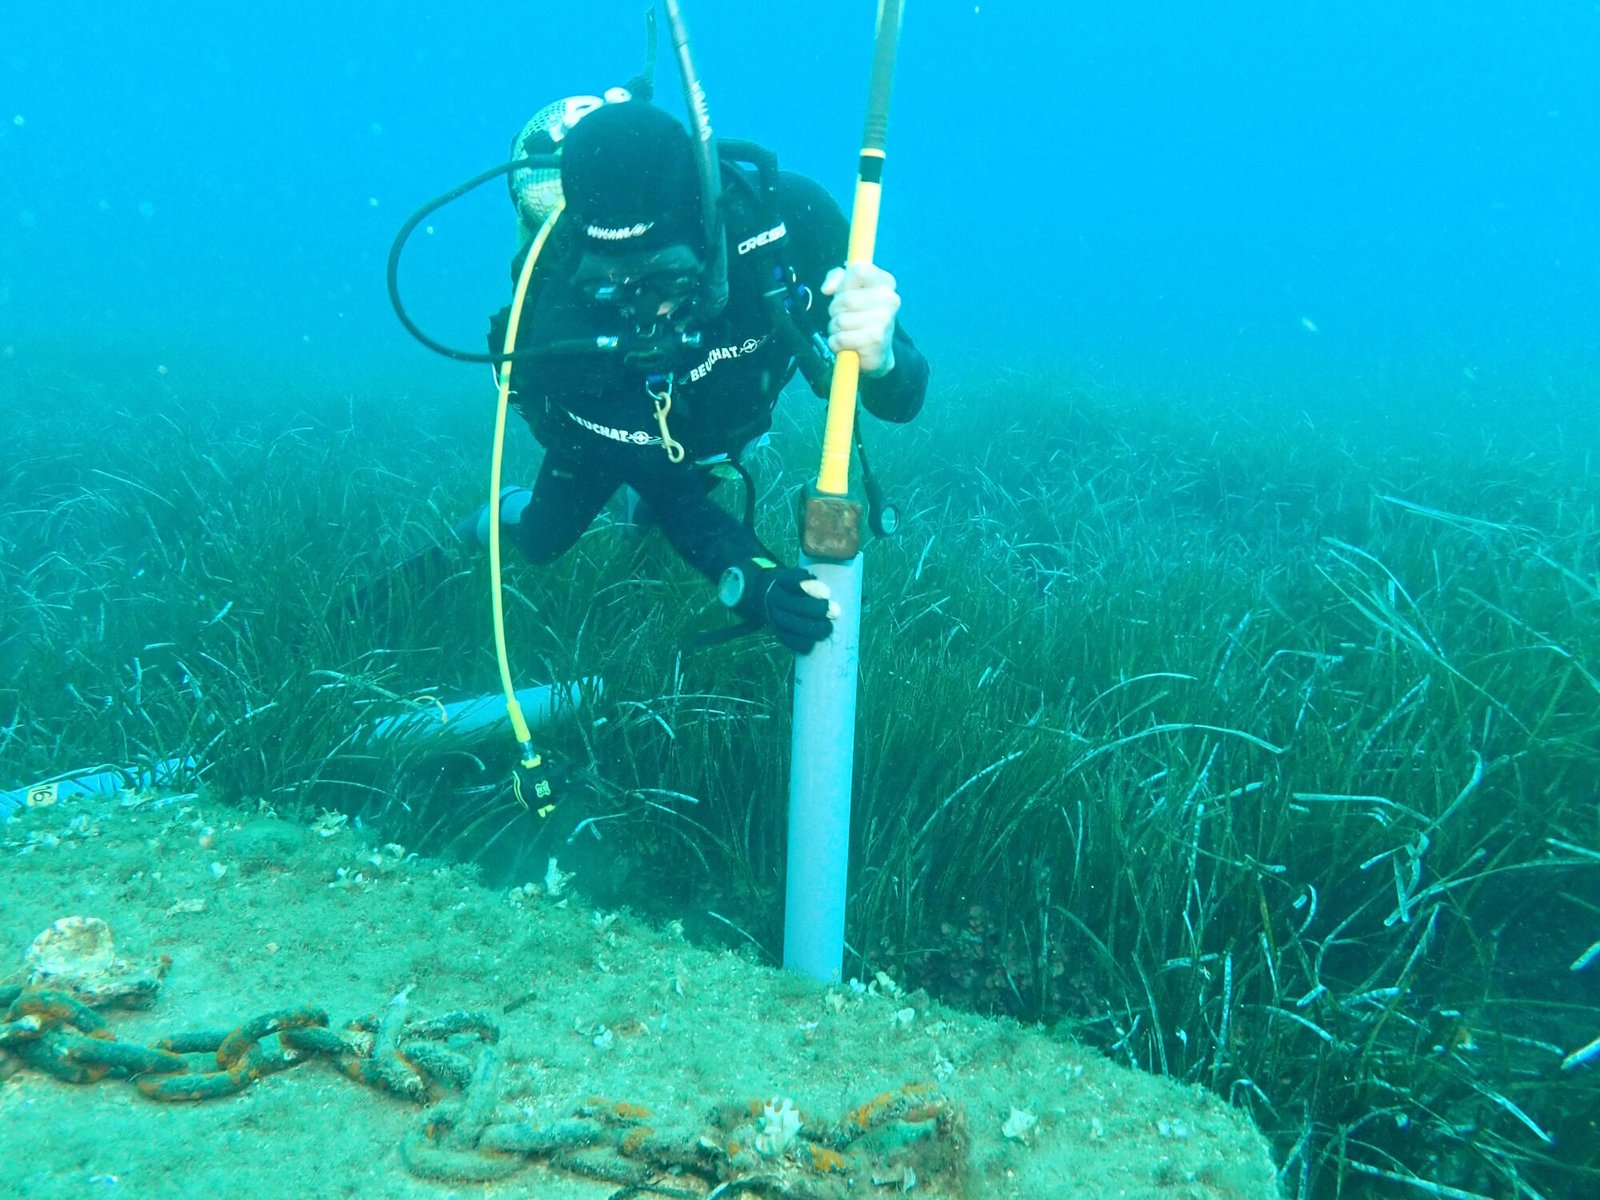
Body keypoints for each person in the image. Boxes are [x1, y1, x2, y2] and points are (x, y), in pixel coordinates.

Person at [464, 96, 930, 654]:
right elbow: (670, 490)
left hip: (720, 429)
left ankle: (639, 522)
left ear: (708, 236)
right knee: (542, 541)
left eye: (667, 279)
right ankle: (492, 515)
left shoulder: (787, 228)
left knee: (656, 518)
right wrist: (754, 578)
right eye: (609, 285)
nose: (644, 313)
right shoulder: (560, 323)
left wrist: (883, 359)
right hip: (610, 438)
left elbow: (903, 402)